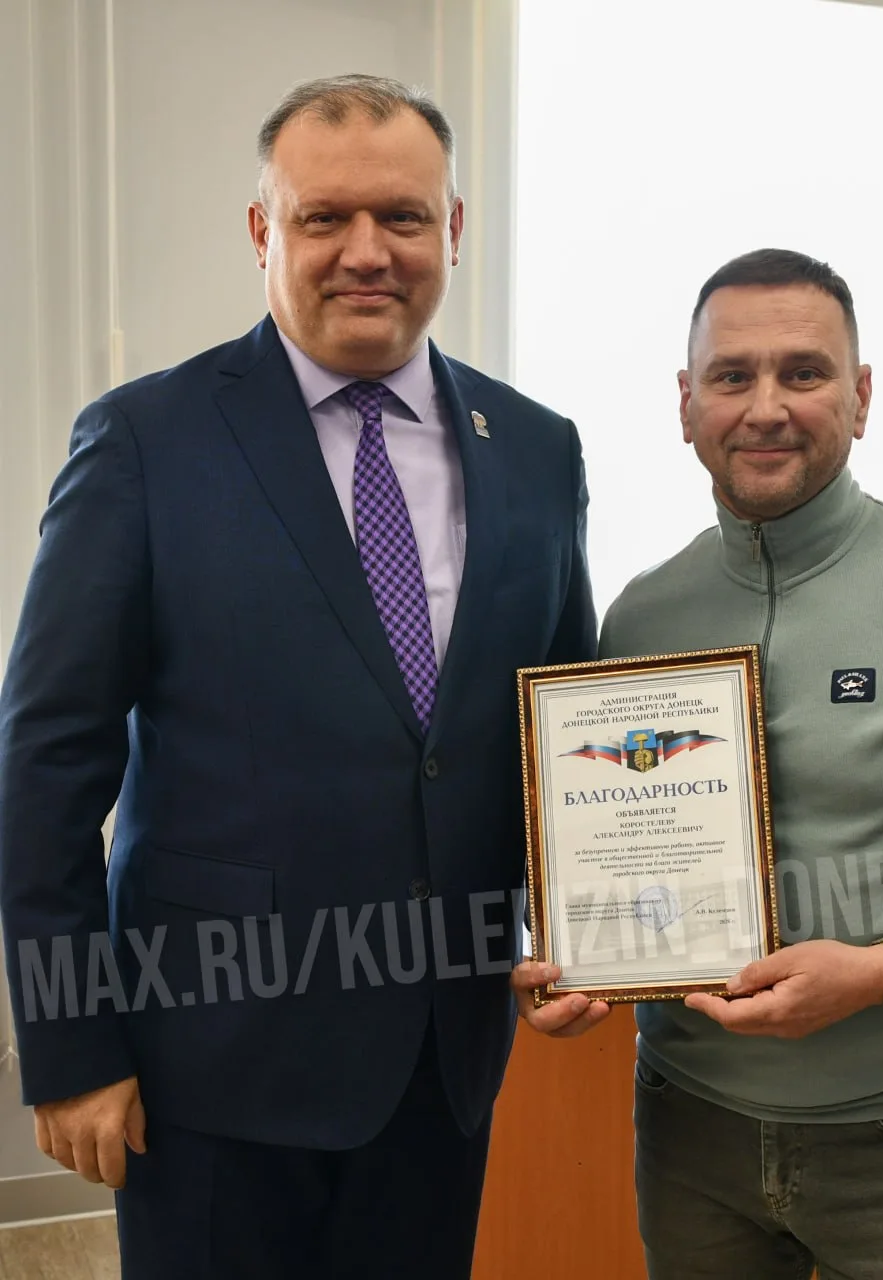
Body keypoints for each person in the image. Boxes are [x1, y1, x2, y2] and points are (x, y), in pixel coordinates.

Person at [0, 74, 595, 1279]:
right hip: (209, 1057)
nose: (366, 251)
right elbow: (45, 763)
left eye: (403, 216)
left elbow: (559, 726)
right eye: (325, 217)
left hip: (441, 1055)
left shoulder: (536, 447)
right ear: (263, 231)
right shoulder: (144, 440)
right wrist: (69, 1045)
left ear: (452, 229)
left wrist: (587, 927)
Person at [512, 248, 883, 1279]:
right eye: (732, 375)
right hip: (688, 1131)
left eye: (802, 372)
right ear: (685, 404)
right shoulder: (642, 615)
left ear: (860, 396)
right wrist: (573, 963)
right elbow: (615, 849)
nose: (765, 407)